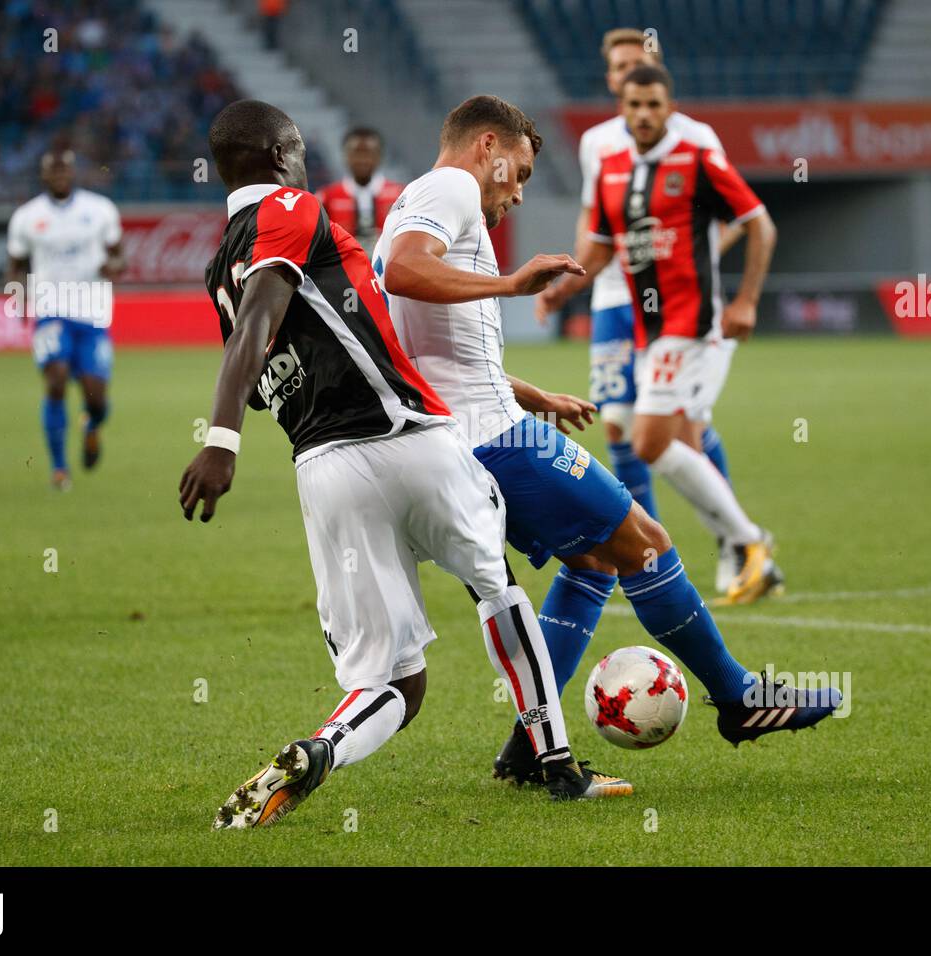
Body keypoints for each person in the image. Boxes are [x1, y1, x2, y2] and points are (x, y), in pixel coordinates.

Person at [181, 99, 630, 829]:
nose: (303, 160)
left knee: (396, 684)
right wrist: (220, 439)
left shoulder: (215, 271)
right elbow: (267, 312)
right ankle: (558, 766)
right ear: (276, 156)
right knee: (497, 587)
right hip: (410, 438)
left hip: (326, 474)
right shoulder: (294, 208)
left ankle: (320, 750)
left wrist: (525, 392)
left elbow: (287, 348)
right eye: (296, 147)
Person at [375, 94, 838, 787]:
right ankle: (740, 699)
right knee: (643, 542)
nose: (519, 192)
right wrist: (510, 282)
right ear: (487, 146)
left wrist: (529, 393)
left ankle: (529, 750)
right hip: (496, 439)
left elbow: (427, 349)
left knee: (592, 561)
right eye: (519, 172)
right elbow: (402, 271)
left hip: (474, 429)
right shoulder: (451, 187)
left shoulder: (414, 196)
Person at [540, 65, 782, 607]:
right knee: (671, 440)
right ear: (621, 109)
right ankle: (743, 545)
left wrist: (745, 300)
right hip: (648, 329)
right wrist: (562, 285)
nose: (644, 115)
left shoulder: (697, 160)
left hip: (690, 322)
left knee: (649, 441)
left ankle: (748, 542)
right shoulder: (611, 169)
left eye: (654, 104)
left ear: (669, 107)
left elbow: (760, 223)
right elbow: (603, 247)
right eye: (635, 105)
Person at [6, 149, 124, 490]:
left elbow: (121, 258)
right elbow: (15, 264)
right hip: (51, 312)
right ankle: (59, 468)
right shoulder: (27, 216)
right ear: (43, 176)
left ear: (74, 173)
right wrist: (17, 295)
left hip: (93, 313)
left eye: (65, 169)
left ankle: (91, 425)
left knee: (96, 398)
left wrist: (111, 267)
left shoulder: (100, 210)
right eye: (52, 170)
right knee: (55, 381)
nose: (59, 175)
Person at [315, 128, 404, 255]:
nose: (362, 159)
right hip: (342, 271)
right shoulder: (326, 197)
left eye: (369, 153)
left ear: (379, 156)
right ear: (346, 155)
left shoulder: (400, 195)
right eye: (356, 153)